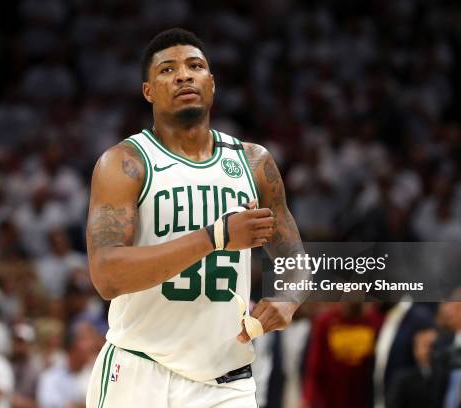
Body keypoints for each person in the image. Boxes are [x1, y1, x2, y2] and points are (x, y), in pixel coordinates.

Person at [85, 28, 306, 407]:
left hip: (227, 381)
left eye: (195, 66)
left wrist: (288, 298)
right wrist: (216, 236)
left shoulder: (253, 163)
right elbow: (107, 275)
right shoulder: (125, 163)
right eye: (167, 70)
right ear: (148, 92)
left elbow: (295, 261)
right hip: (141, 371)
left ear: (212, 83)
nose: (184, 75)